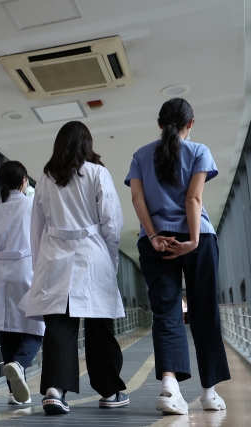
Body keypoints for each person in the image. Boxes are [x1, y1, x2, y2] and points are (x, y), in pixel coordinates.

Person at [124, 98, 230, 415]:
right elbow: (193, 197)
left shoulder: (141, 155)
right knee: (204, 311)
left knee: (166, 312)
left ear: (160, 124)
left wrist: (154, 234)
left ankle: (169, 389)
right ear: (191, 124)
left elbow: (136, 196)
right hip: (199, 239)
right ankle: (209, 393)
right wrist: (193, 240)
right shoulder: (199, 151)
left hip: (156, 242)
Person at [19, 121, 129, 415]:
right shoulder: (97, 173)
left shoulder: (43, 179)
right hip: (92, 253)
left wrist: (38, 265)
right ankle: (109, 391)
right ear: (87, 144)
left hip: (55, 255)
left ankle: (55, 390)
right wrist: (111, 259)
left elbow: (36, 228)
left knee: (58, 325)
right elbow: (112, 223)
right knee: (99, 327)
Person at [0, 160, 45, 406]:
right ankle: (20, 364)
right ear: (24, 181)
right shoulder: (32, 205)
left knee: (7, 330)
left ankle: (13, 392)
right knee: (36, 327)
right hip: (26, 269)